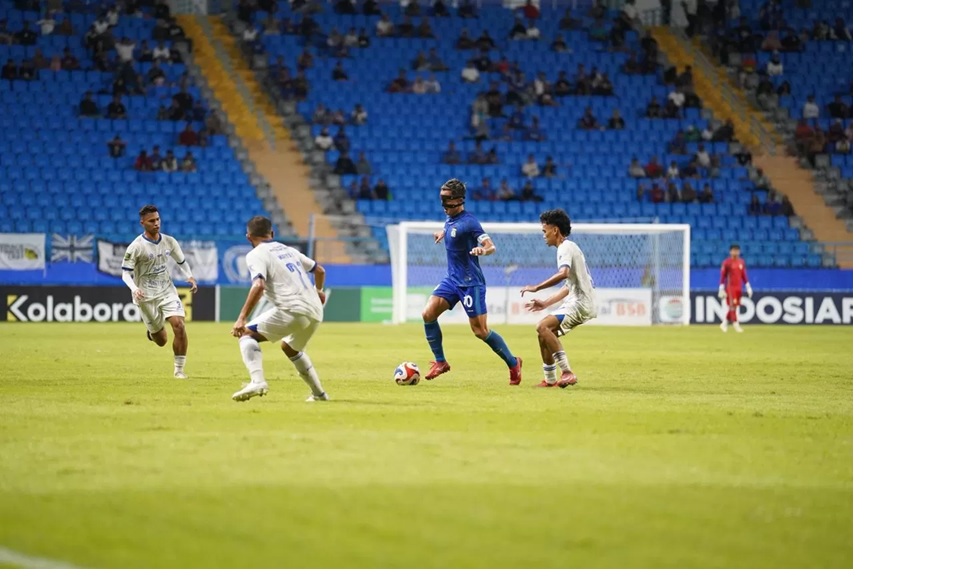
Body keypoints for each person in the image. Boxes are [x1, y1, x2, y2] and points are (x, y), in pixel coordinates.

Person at [420, 179, 523, 384]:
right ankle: (440, 362)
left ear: (458, 200)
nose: (443, 205)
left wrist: (482, 250)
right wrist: (443, 233)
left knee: (480, 331)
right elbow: (454, 231)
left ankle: (513, 362)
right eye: (442, 199)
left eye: (446, 200)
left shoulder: (470, 222)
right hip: (452, 280)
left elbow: (491, 245)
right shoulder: (449, 219)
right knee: (428, 313)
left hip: (470, 282)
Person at [230, 216, 330, 403]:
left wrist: (242, 318)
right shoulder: (288, 249)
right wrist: (319, 290)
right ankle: (319, 394)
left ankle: (257, 381)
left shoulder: (256, 254)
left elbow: (258, 285)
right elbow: (320, 271)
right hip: (316, 310)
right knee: (291, 348)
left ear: (248, 237)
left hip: (293, 309)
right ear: (272, 233)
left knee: (246, 335)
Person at [519, 208, 596, 388]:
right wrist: (545, 303)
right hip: (579, 301)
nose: (543, 235)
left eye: (544, 231)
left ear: (555, 230)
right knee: (544, 333)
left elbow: (563, 274)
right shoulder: (570, 247)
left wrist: (537, 287)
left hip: (581, 303)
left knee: (542, 326)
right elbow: (568, 286)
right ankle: (550, 379)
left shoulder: (565, 247)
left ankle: (567, 372)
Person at [120, 205, 198, 379]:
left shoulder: (169, 241)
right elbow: (125, 273)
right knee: (161, 340)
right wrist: (135, 289)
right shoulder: (136, 246)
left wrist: (190, 277)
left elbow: (181, 261)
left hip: (166, 291)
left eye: (157, 219)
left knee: (179, 325)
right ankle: (152, 332)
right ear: (143, 223)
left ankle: (179, 370)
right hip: (145, 296)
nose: (156, 223)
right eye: (151, 221)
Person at [718, 243, 752, 333]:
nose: (735, 252)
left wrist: (748, 286)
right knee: (732, 306)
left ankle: (724, 323)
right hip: (730, 287)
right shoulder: (727, 262)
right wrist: (721, 287)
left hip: (738, 287)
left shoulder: (741, 262)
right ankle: (736, 324)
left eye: (737, 250)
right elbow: (723, 276)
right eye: (734, 250)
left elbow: (744, 275)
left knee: (735, 306)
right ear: (730, 251)